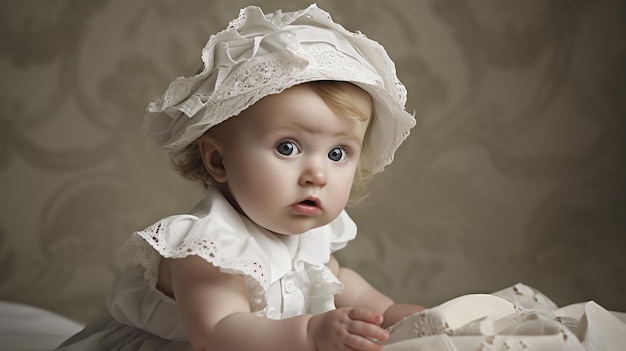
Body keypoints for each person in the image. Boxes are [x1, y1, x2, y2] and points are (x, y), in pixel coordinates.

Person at [56, 4, 422, 351]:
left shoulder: (309, 240)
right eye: (287, 147)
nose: (317, 174)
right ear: (219, 160)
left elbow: (350, 291)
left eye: (338, 153)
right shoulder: (204, 248)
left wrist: (393, 317)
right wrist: (311, 333)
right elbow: (218, 334)